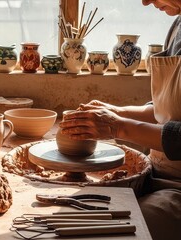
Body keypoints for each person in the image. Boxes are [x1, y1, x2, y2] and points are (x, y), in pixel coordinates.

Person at [59, 1, 181, 240]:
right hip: (158, 171)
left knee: (112, 231)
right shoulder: (177, 24)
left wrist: (116, 125)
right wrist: (117, 111)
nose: (145, 1)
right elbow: (168, 111)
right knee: (73, 212)